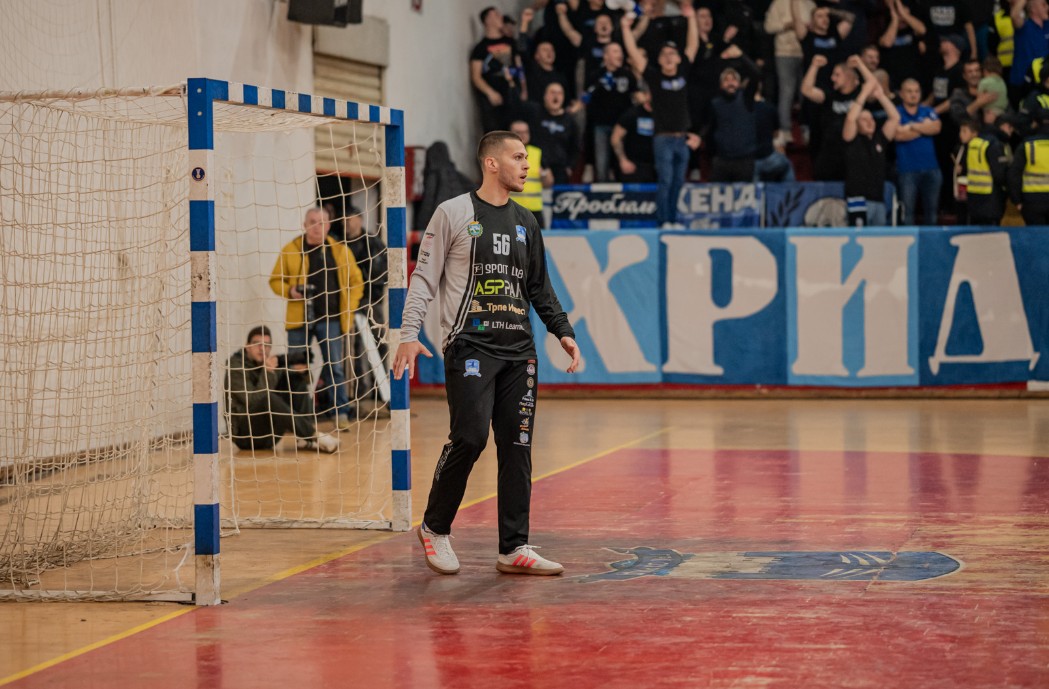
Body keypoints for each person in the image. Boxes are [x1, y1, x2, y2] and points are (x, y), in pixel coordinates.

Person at [393, 130, 581, 577]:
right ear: (492, 163)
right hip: (470, 346)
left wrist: (562, 331)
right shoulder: (453, 212)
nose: (526, 165)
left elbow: (539, 287)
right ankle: (435, 528)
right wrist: (408, 332)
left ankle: (514, 547)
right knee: (471, 437)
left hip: (520, 352)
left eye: (526, 158)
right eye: (518, 157)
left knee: (517, 446)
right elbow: (423, 278)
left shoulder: (526, 220)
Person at [269, 207, 364, 429]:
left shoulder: (340, 251)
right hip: (298, 320)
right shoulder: (291, 250)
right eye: (312, 222)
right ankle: (298, 415)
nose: (316, 227)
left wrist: (348, 308)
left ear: (329, 226)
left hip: (331, 319)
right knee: (297, 367)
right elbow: (275, 280)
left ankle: (341, 413)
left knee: (335, 367)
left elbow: (357, 282)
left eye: (321, 222)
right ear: (304, 224)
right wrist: (290, 290)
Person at [621, 3, 700, 227]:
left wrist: (691, 18)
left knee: (678, 182)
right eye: (664, 54)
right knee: (665, 181)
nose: (668, 57)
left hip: (681, 138)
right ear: (659, 60)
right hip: (663, 138)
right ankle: (663, 221)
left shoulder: (683, 70)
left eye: (672, 54)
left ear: (678, 58)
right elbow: (634, 54)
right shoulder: (654, 77)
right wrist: (626, 29)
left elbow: (693, 45)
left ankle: (673, 220)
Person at [225, 325, 339, 453]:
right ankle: (314, 435)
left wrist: (302, 372)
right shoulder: (235, 366)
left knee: (295, 381)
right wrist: (268, 373)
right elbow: (252, 400)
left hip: (271, 436)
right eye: (257, 344)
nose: (262, 349)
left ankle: (305, 440)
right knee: (270, 399)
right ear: (247, 346)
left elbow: (307, 382)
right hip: (245, 437)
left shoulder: (268, 363)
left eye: (267, 345)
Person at [842, 73, 901, 225]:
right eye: (864, 119)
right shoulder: (852, 139)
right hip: (857, 200)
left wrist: (880, 96)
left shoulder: (879, 139)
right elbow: (850, 118)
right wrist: (864, 93)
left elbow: (895, 118)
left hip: (878, 200)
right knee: (859, 237)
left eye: (871, 119)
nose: (870, 122)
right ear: (857, 124)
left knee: (879, 238)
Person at [343, 205, 389, 404]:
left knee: (378, 343)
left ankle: (381, 390)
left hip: (371, 301)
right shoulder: (340, 244)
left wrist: (372, 294)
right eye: (344, 220)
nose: (347, 223)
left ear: (360, 220)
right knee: (356, 347)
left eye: (350, 219)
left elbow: (384, 272)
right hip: (348, 302)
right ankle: (360, 391)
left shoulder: (373, 243)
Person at [896, 79, 945, 224]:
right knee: (907, 213)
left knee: (932, 212)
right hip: (907, 170)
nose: (914, 94)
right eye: (909, 91)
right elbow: (898, 135)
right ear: (901, 94)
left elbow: (936, 128)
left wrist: (911, 126)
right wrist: (924, 127)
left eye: (917, 91)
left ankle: (931, 239)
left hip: (932, 169)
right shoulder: (897, 112)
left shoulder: (927, 110)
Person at [470, 7, 525, 133]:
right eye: (496, 14)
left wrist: (523, 89)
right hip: (494, 96)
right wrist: (490, 92)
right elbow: (476, 76)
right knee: (495, 133)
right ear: (487, 20)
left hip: (512, 93)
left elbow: (519, 66)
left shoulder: (510, 42)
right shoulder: (480, 48)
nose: (500, 16)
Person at [964, 111, 1015, 223]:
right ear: (1004, 126)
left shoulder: (975, 142)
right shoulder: (994, 144)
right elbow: (999, 175)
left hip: (973, 194)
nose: (1011, 131)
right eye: (1011, 128)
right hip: (991, 197)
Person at [509, 119, 552, 226]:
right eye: (518, 132)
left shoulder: (538, 153)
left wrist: (544, 174)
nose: (523, 135)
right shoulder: (503, 155)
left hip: (534, 211)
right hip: (511, 210)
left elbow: (549, 183)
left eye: (525, 132)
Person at [1008, 110, 1049, 222]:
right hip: (1032, 201)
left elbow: (1014, 175)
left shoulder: (1027, 145)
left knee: (1035, 233)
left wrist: (1017, 200)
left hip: (1032, 202)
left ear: (1035, 123)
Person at [612, 86, 658, 182]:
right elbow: (615, 138)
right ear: (646, 95)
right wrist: (623, 160)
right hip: (634, 165)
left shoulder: (664, 116)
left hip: (658, 165)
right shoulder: (632, 114)